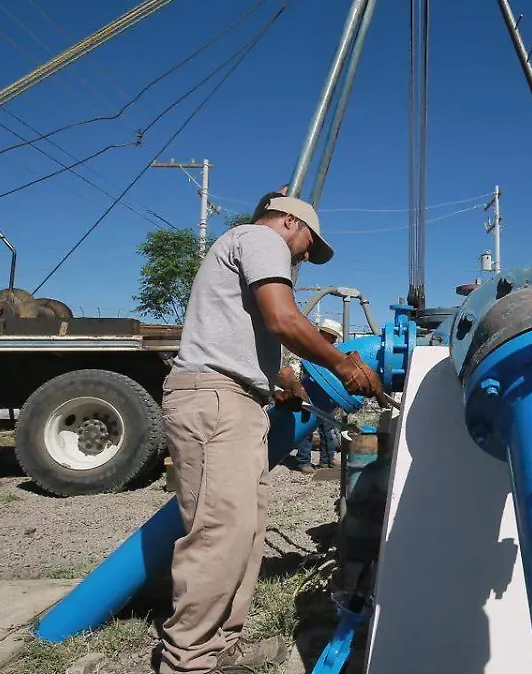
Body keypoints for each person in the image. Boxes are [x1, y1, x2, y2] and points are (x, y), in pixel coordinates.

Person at [157, 193, 385, 674]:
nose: (304, 255)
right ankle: (189, 661)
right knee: (220, 533)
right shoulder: (262, 238)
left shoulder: (246, 249)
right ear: (288, 221)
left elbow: (259, 347)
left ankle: (220, 649)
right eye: (307, 244)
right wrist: (344, 365)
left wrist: (287, 384)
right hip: (216, 399)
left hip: (235, 400)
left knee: (245, 533)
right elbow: (284, 320)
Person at [292, 318, 345, 472]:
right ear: (324, 333)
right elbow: (300, 370)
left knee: (326, 427)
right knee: (307, 428)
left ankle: (327, 459)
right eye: (333, 336)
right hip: (308, 392)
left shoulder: (330, 352)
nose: (334, 340)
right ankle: (303, 461)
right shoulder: (309, 348)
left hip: (325, 393)